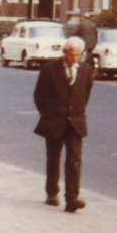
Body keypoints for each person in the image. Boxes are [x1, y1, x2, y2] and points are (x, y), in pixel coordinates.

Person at [33, 36, 95, 213]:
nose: (74, 58)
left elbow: (85, 94)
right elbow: (39, 96)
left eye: (78, 55)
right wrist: (49, 114)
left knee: (74, 160)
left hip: (76, 122)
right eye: (71, 54)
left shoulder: (87, 70)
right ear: (64, 52)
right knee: (53, 158)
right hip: (54, 121)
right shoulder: (49, 69)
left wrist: (76, 112)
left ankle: (72, 199)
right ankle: (52, 193)